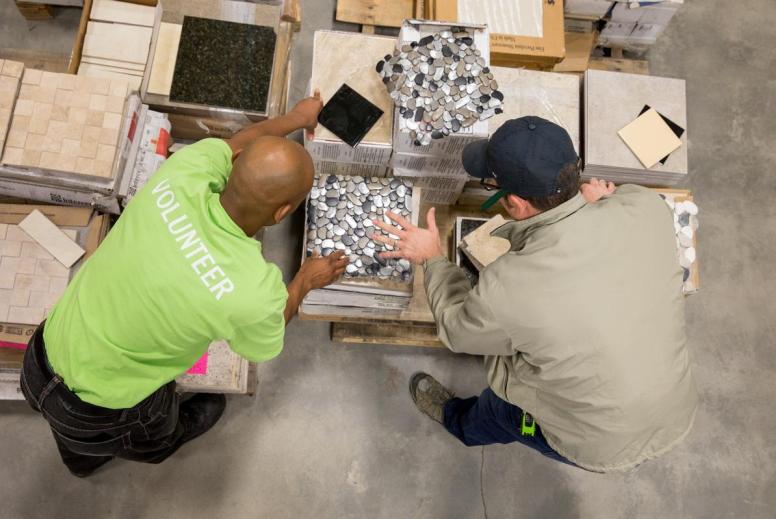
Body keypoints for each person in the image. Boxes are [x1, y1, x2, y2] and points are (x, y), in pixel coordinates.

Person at [20, 92, 348, 478]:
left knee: (72, 438)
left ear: (235, 164)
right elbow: (270, 328)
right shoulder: (253, 290)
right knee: (153, 433)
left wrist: (295, 117)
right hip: (101, 408)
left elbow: (242, 140)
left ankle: (80, 461)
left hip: (42, 354)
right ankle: (163, 437)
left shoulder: (184, 171)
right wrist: (306, 280)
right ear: (282, 213)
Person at [371, 116, 698, 472]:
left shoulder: (509, 286)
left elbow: (457, 329)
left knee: (503, 410)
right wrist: (591, 206)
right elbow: (618, 209)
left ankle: (460, 422)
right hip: (675, 409)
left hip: (595, 440)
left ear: (516, 203)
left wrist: (431, 257)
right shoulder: (645, 206)